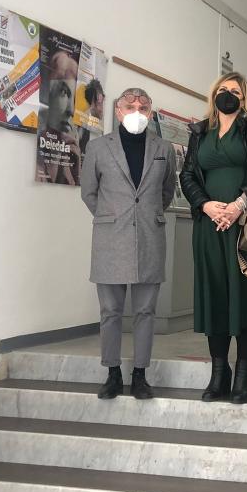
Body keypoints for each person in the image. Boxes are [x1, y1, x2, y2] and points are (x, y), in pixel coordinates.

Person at [180, 72, 247, 405]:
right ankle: (218, 372)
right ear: (213, 94)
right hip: (210, 226)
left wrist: (240, 202)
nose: (228, 95)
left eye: (235, 91)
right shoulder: (200, 131)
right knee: (215, 295)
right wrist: (206, 205)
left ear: (244, 98)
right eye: (223, 90)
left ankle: (243, 372)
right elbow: (187, 175)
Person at [80, 88, 177, 400]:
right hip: (110, 239)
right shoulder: (97, 147)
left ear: (150, 112)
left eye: (143, 107)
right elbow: (89, 192)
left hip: (150, 237)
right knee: (110, 310)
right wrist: (112, 217)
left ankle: (140, 375)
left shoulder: (164, 148)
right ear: (118, 111)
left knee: (146, 310)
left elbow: (167, 189)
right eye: (131, 106)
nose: (137, 111)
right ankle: (111, 373)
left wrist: (145, 215)